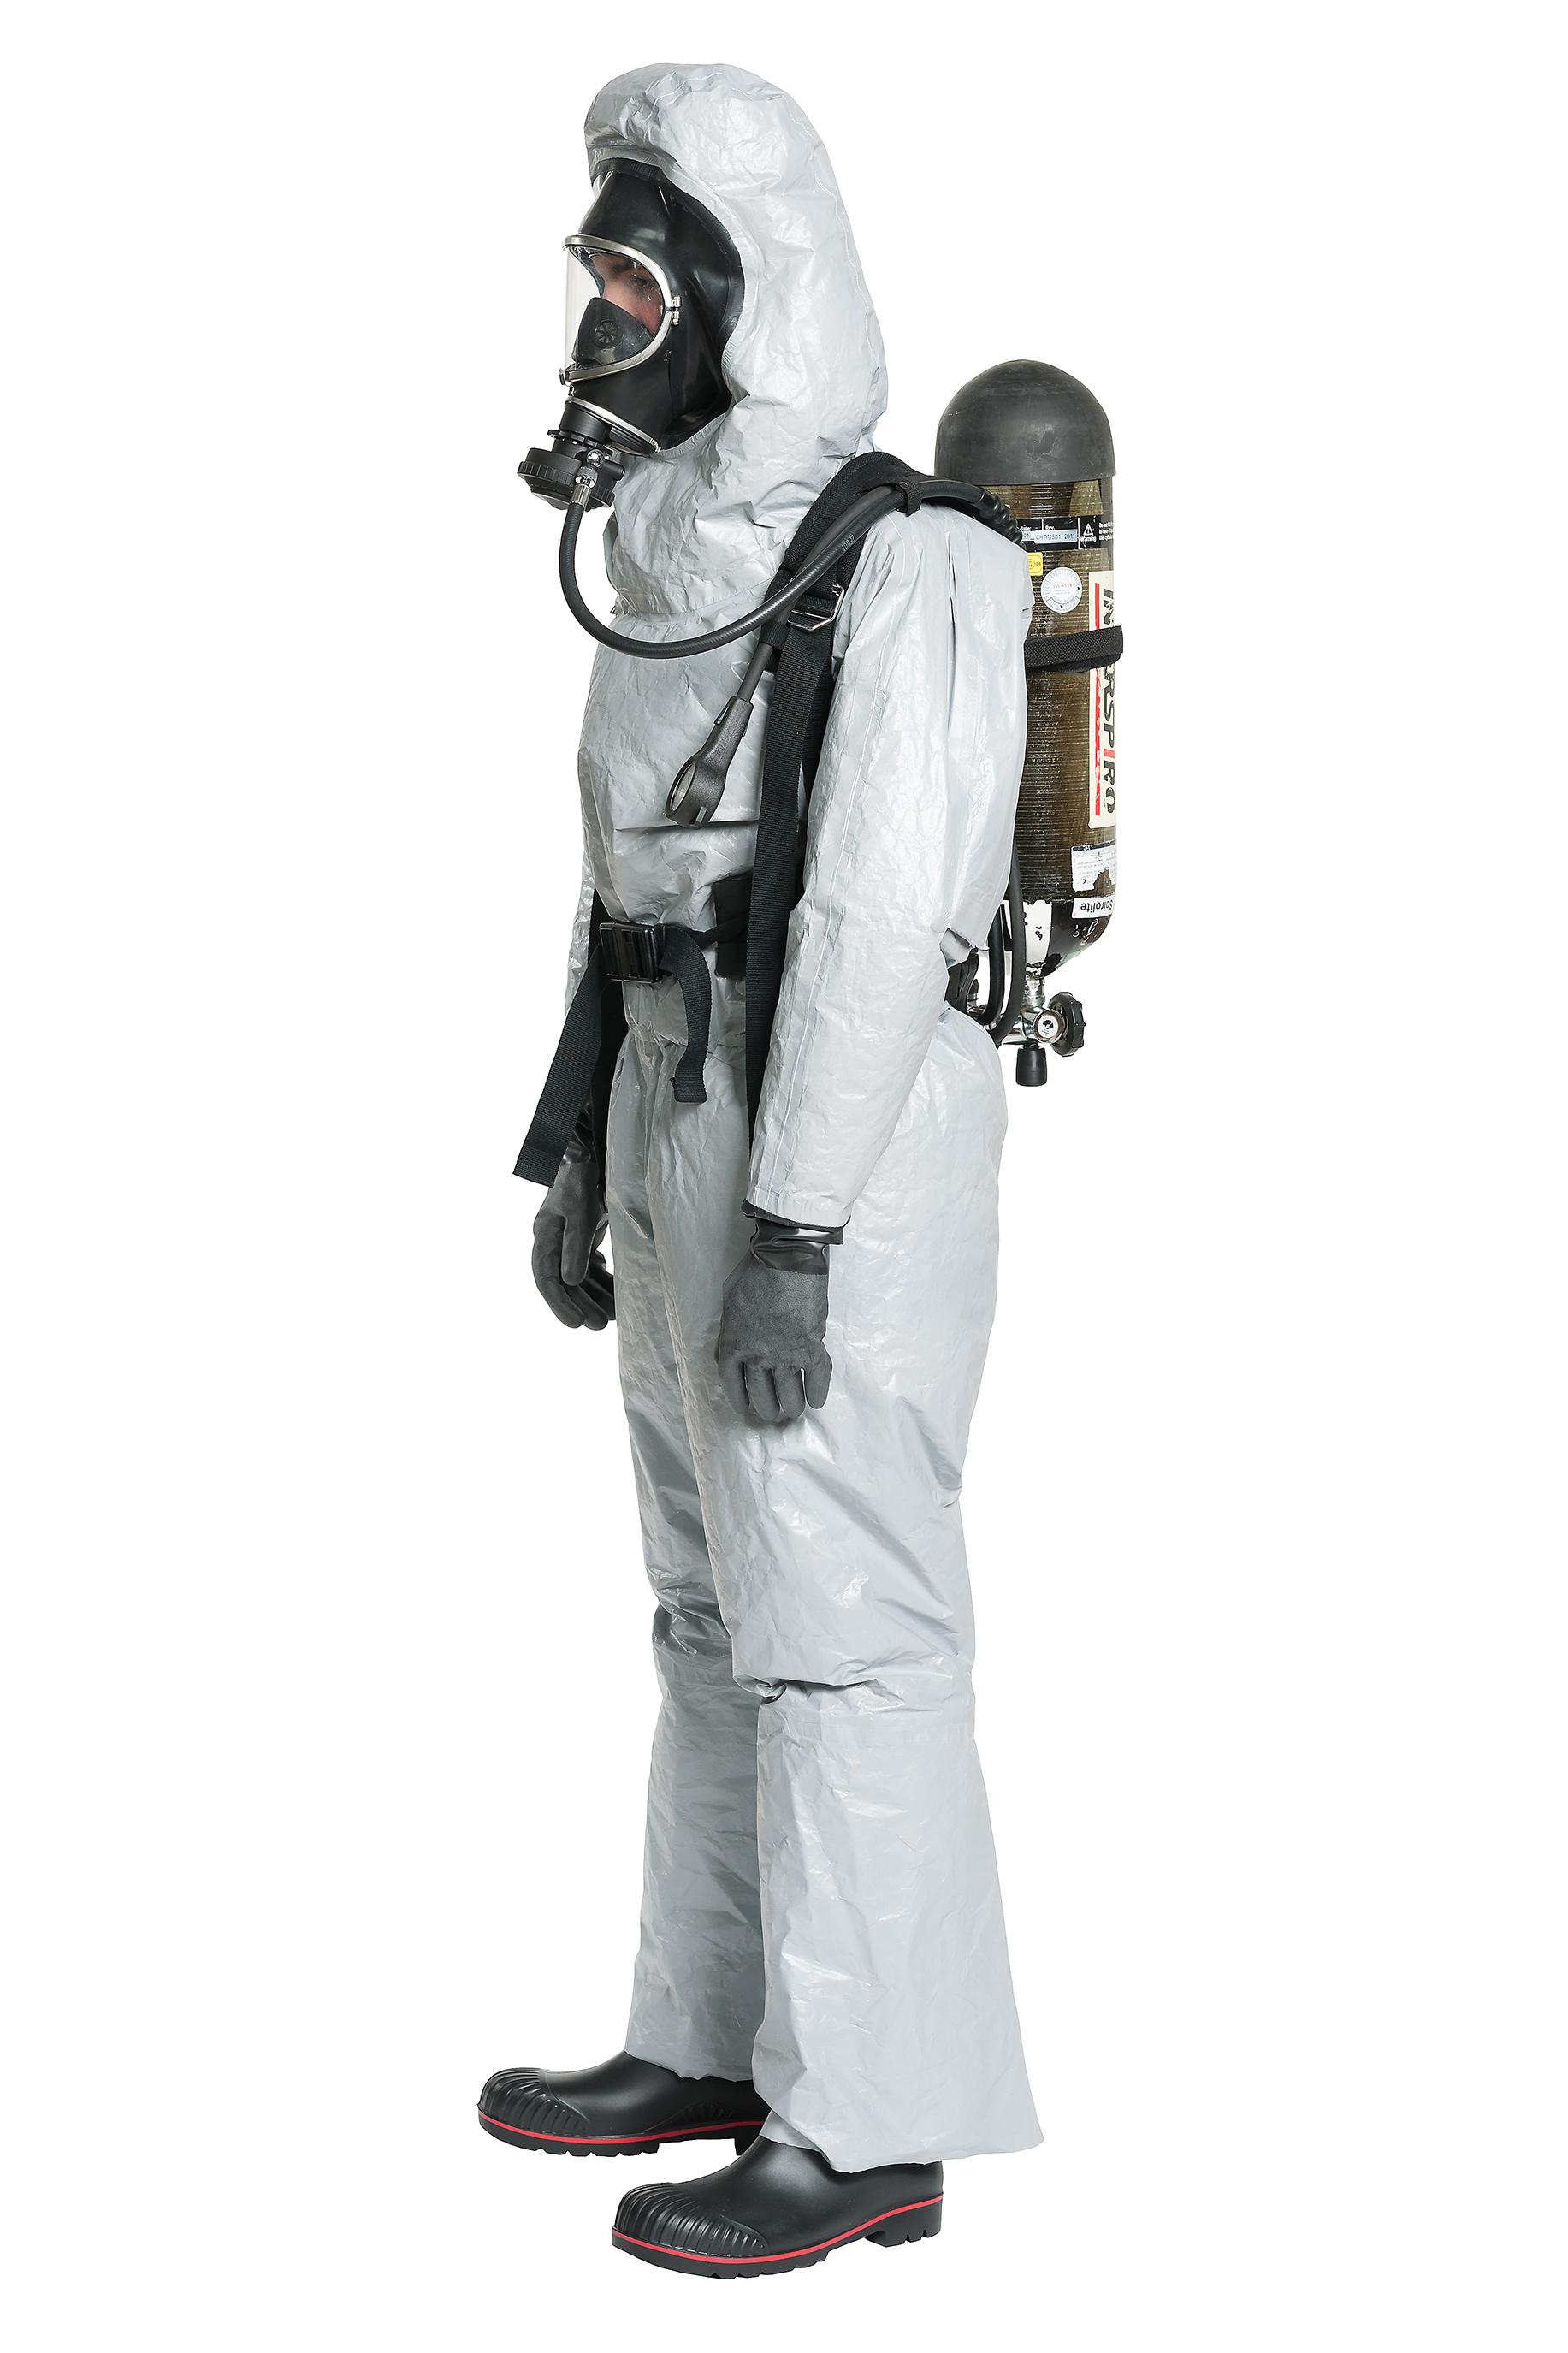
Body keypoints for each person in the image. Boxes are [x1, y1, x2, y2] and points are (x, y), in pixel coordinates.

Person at [482, 62, 1041, 2278]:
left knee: (845, 1627)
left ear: (742, 298)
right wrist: (576, 1150)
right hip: (676, 1112)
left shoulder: (908, 563)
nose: (597, 332)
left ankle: (873, 2121)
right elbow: (633, 878)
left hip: (838, 1148)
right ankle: (716, 2040)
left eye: (635, 292)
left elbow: (879, 919)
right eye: (594, 288)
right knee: (711, 1612)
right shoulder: (670, 567)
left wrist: (794, 1231)